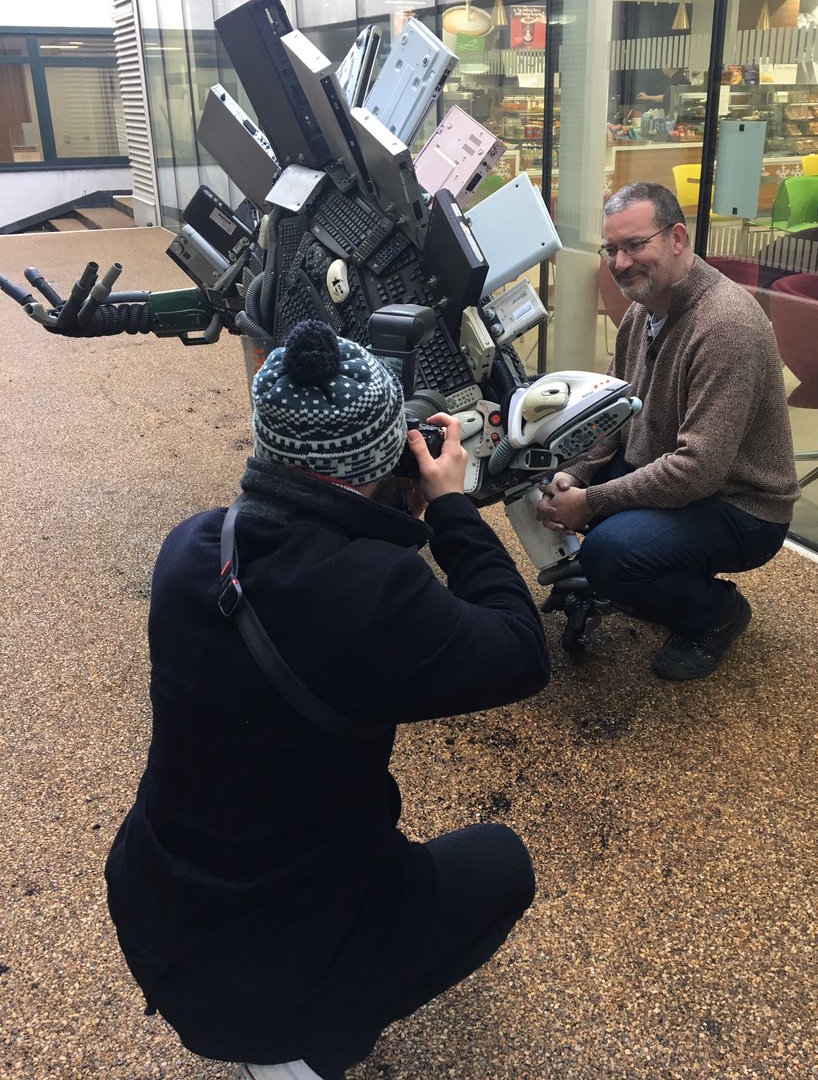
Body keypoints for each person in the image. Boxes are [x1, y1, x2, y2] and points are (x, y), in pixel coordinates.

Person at [105, 320, 550, 1080]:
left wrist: (383, 508)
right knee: (502, 863)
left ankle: (286, 1023)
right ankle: (303, 1050)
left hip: (156, 917)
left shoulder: (191, 547)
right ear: (383, 460)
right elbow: (520, 650)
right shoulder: (374, 594)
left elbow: (312, 581)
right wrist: (449, 506)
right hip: (274, 975)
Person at [536, 182, 800, 682]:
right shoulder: (643, 312)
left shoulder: (726, 326)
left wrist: (591, 501)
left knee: (609, 552)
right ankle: (657, 570)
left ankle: (715, 613)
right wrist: (577, 475)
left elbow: (698, 470)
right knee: (551, 481)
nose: (620, 263)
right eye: (611, 249)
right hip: (676, 476)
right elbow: (612, 415)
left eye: (635, 245)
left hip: (742, 505)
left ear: (677, 238)